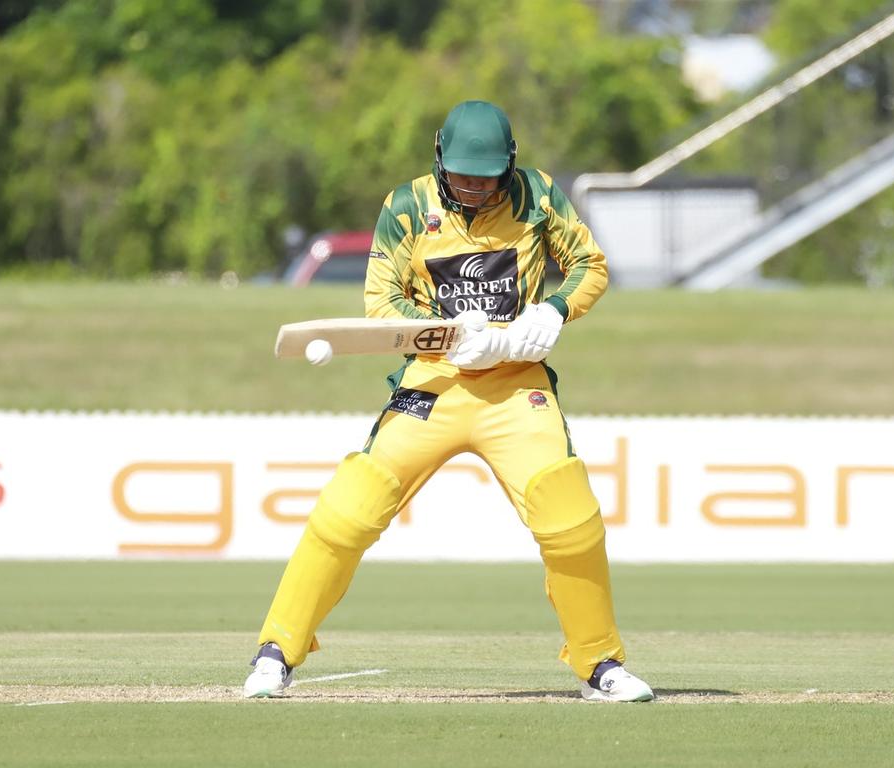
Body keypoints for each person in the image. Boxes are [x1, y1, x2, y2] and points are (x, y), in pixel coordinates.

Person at [244, 100, 654, 703]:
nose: (473, 187)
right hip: (433, 383)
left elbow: (589, 265)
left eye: (486, 176)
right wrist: (454, 332)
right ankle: (276, 652)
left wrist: (550, 311)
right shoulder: (407, 207)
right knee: (348, 510)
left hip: (517, 386)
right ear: (440, 159)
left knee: (571, 520)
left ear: (509, 165)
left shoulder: (537, 194)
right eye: (461, 174)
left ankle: (600, 665)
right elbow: (382, 306)